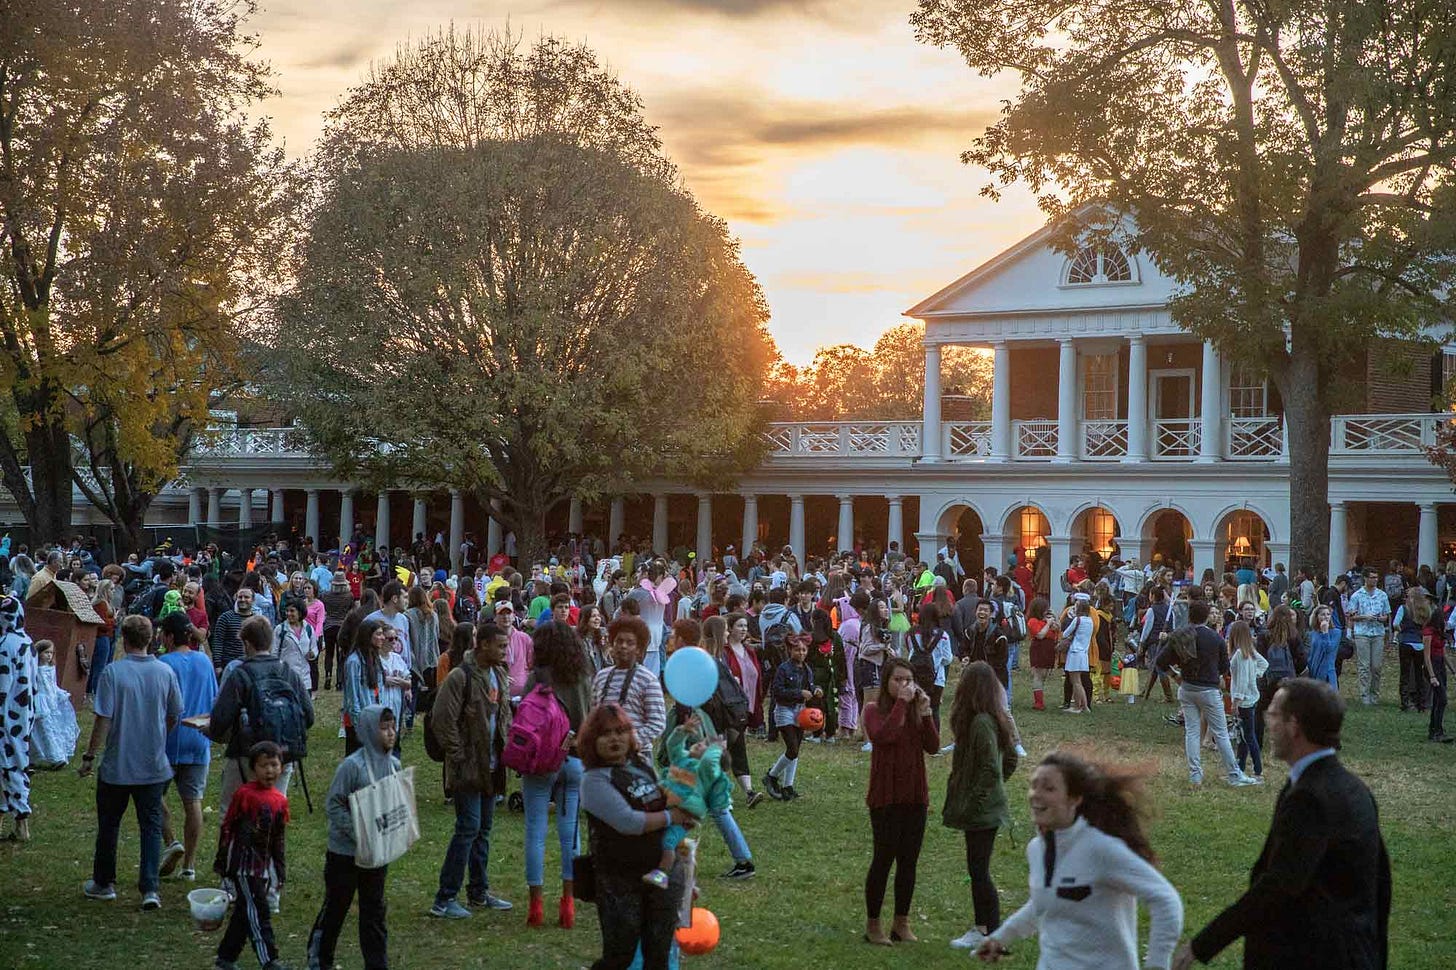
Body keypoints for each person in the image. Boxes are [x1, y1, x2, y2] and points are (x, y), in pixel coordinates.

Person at [1172, 679, 1391, 970]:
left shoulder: (1310, 798)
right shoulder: (1352, 788)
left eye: (1273, 714)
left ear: (1294, 725)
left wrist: (1202, 945)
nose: (1268, 721)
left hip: (1314, 956)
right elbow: (1381, 885)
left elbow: (1279, 886)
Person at [976, 751, 1184, 969]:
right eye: (1034, 785)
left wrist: (1157, 964)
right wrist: (1000, 938)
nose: (1036, 794)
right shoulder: (1036, 849)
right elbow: (1045, 902)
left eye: (1049, 788)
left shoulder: (1101, 849)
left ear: (1075, 799)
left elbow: (1166, 900)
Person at [79, 613, 183, 910]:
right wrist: (160, 734)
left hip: (117, 765)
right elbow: (175, 713)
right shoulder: (164, 672)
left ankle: (103, 882)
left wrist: (89, 756)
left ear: (124, 640)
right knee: (151, 826)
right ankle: (150, 888)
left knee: (109, 824)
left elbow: (103, 719)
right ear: (152, 639)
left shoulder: (113, 673)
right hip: (152, 763)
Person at [578, 702, 693, 970]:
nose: (615, 739)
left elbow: (666, 800)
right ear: (592, 741)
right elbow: (628, 822)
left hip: (662, 876)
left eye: (621, 731)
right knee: (619, 957)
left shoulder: (640, 765)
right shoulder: (594, 780)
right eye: (605, 734)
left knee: (659, 956)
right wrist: (671, 817)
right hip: (621, 881)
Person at [429, 620, 514, 918]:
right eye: (501, 646)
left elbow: (502, 718)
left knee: (483, 831)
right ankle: (444, 897)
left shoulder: (499, 675)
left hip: (492, 766)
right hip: (468, 766)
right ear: (484, 645)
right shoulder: (460, 677)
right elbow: (442, 720)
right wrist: (460, 755)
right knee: (468, 828)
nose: (506, 651)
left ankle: (478, 891)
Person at [307, 705, 398, 970]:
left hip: (376, 855)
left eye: (392, 727)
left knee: (374, 912)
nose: (390, 734)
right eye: (383, 729)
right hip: (344, 854)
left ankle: (376, 963)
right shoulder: (352, 767)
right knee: (337, 906)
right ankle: (320, 958)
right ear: (369, 731)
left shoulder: (393, 765)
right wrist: (357, 831)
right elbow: (333, 804)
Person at [860, 656, 938, 946]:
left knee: (909, 861)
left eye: (908, 680)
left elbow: (933, 746)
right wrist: (902, 704)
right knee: (883, 859)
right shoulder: (872, 710)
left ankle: (901, 923)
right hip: (886, 797)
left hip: (914, 796)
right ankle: (873, 924)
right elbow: (884, 736)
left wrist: (926, 713)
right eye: (898, 680)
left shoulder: (915, 710)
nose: (904, 685)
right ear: (886, 681)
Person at [520, 620, 593, 927]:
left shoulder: (536, 678)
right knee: (570, 832)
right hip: (573, 757)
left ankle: (535, 905)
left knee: (535, 831)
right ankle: (567, 903)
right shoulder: (580, 676)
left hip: (539, 761)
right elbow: (588, 716)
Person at [944, 660, 1019, 952]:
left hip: (982, 810)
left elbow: (992, 767)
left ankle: (987, 930)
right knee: (978, 869)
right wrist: (995, 788)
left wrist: (978, 798)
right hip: (987, 807)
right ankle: (991, 932)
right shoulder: (990, 719)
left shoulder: (981, 724)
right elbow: (1010, 760)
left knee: (979, 871)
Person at [210, 615, 314, 809]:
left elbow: (219, 721)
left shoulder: (240, 674)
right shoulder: (287, 672)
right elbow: (309, 716)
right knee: (275, 808)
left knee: (233, 810)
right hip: (283, 753)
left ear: (247, 644)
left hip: (248, 755)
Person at [1155, 602, 1257, 787]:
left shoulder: (1180, 636)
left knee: (1192, 732)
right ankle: (1234, 774)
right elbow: (1224, 667)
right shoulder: (1214, 638)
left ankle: (1195, 775)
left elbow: (1161, 661)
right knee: (1221, 733)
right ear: (1207, 616)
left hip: (1187, 687)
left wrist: (1175, 676)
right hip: (1209, 689)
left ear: (1189, 616)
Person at [213, 741, 290, 970]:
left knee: (243, 913)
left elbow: (278, 838)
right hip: (245, 867)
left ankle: (226, 957)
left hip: (263, 867)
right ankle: (269, 959)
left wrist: (280, 868)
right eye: (264, 765)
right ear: (253, 768)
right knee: (258, 910)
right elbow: (228, 827)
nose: (269, 771)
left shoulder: (279, 800)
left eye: (274, 765)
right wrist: (223, 861)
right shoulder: (245, 795)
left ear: (282, 767)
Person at [157, 612, 219, 881]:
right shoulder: (204, 662)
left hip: (167, 739)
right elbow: (214, 697)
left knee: (152, 796)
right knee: (193, 801)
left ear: (169, 637)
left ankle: (171, 841)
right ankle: (189, 865)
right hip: (197, 737)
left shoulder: (163, 663)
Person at [590, 615, 667, 758]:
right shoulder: (601, 677)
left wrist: (629, 742)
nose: (623, 646)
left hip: (637, 755)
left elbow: (658, 722)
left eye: (630, 643)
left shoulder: (648, 680)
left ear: (638, 649)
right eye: (619, 641)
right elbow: (594, 716)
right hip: (603, 757)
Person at [0, 596, 38, 841]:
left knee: (10, 766)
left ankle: (22, 822)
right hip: (24, 713)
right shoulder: (27, 640)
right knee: (13, 763)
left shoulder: (5, 645)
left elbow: (2, 686)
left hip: (7, 718)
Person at [764, 632, 819, 800]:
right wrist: (798, 693)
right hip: (784, 711)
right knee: (792, 749)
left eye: (803, 650)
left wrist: (816, 690)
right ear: (790, 651)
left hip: (800, 712)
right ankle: (771, 776)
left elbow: (810, 686)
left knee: (795, 750)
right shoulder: (783, 668)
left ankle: (788, 785)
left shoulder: (807, 669)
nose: (801, 653)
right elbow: (777, 692)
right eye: (797, 650)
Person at [1227, 620, 1269, 784]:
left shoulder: (1240, 655)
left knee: (1248, 736)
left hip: (1243, 701)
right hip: (1252, 698)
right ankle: (1241, 767)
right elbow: (1264, 664)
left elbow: (1242, 681)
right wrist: (1257, 674)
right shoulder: (1250, 651)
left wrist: (1236, 701)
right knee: (1243, 737)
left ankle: (1258, 770)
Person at [1346, 570, 1390, 705]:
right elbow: (1351, 615)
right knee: (1364, 665)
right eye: (1372, 577)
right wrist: (1364, 617)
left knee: (1376, 666)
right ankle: (1364, 695)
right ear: (1365, 578)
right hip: (1362, 633)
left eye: (1376, 577)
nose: (1375, 580)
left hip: (1378, 632)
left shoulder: (1382, 595)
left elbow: (1387, 615)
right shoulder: (1357, 595)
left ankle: (1374, 694)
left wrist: (1381, 618)